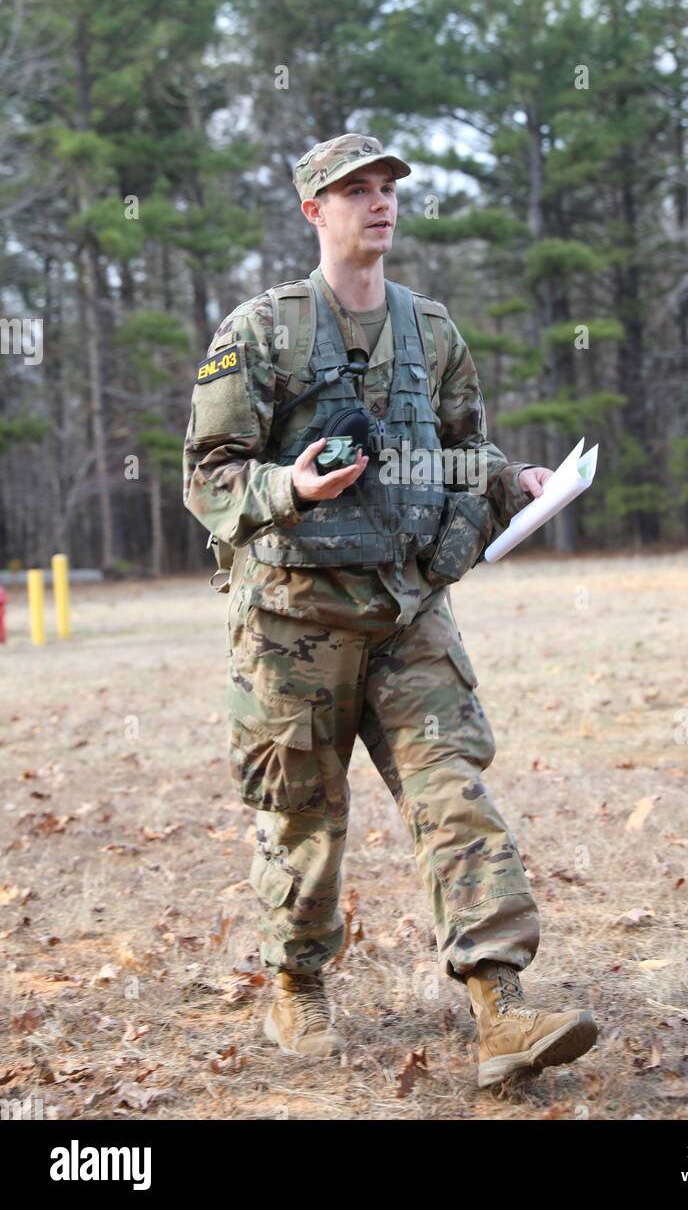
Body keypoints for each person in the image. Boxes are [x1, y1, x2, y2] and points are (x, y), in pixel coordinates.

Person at [181, 132, 598, 1089]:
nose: (379, 203)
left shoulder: (433, 332)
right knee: (302, 821)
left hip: (407, 616)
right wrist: (289, 484)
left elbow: (461, 456)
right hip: (294, 625)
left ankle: (501, 1007)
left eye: (387, 189)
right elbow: (208, 479)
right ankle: (298, 981)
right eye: (354, 191)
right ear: (312, 211)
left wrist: (517, 481)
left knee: (455, 796)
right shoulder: (261, 331)